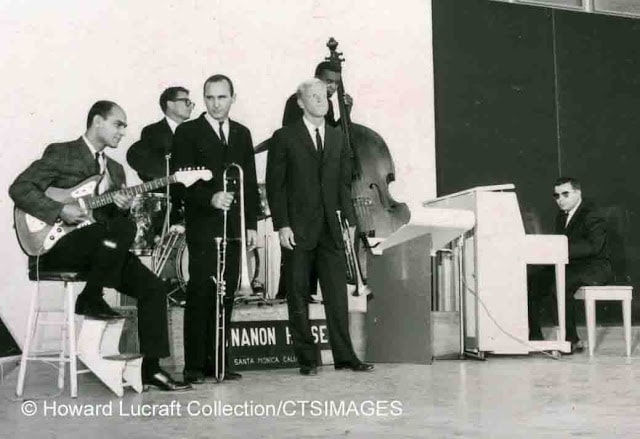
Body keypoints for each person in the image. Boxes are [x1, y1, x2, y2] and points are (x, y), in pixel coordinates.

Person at [9, 101, 191, 391]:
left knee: (153, 288)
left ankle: (152, 369)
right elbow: (19, 189)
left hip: (100, 252)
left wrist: (121, 206)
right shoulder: (63, 153)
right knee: (122, 229)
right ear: (97, 121)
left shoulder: (116, 171)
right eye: (118, 124)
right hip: (57, 247)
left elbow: (106, 222)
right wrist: (59, 211)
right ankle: (91, 297)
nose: (123, 131)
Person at [266, 78, 373, 375]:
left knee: (337, 295)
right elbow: (277, 187)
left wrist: (350, 223)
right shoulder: (284, 136)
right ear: (300, 102)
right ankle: (306, 359)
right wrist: (282, 225)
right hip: (298, 228)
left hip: (331, 227)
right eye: (312, 96)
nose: (320, 100)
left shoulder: (338, 137)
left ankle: (345, 356)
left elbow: (342, 184)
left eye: (323, 96)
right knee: (298, 293)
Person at [172, 75, 259, 384]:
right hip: (204, 224)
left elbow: (248, 181)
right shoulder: (187, 132)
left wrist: (250, 224)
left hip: (234, 225)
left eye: (222, 97)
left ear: (233, 97)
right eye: (209, 98)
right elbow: (180, 184)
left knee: (226, 294)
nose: (215, 103)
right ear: (204, 99)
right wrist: (209, 197)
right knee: (201, 292)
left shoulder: (242, 134)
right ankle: (194, 366)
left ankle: (218, 363)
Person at [276, 61, 354, 301]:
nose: (332, 87)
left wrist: (346, 113)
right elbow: (301, 139)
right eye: (328, 81)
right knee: (298, 263)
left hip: (324, 198)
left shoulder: (328, 104)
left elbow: (331, 139)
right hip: (302, 193)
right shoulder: (297, 101)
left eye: (335, 83)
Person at [528, 177, 613, 353]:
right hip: (572, 266)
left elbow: (594, 247)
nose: (560, 199)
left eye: (565, 194)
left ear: (578, 193)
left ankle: (571, 340)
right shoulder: (561, 217)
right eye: (557, 196)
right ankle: (535, 337)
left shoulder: (592, 214)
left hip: (595, 268)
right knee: (532, 281)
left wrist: (560, 250)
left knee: (560, 285)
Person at [127, 86, 194, 220]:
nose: (191, 106)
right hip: (162, 209)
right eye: (186, 102)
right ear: (170, 104)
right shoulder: (152, 132)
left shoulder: (194, 133)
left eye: (191, 103)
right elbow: (146, 171)